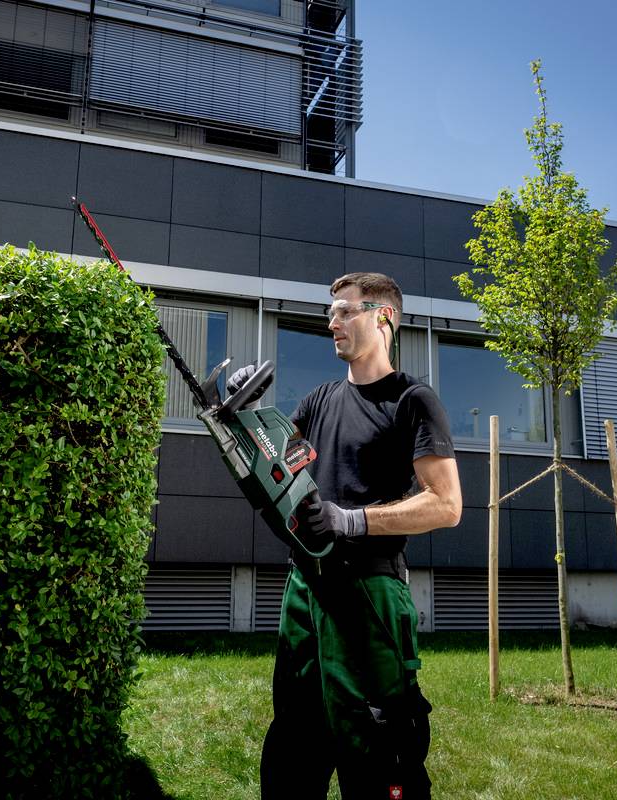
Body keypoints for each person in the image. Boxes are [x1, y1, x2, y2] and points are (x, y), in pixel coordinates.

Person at [229, 272, 462, 800]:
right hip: (304, 590)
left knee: (377, 742)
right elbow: (277, 475)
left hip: (368, 593)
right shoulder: (317, 401)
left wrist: (349, 519)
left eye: (343, 311)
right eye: (330, 312)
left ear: (382, 317)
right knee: (294, 736)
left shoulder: (413, 401)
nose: (330, 322)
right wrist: (246, 415)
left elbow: (446, 505)